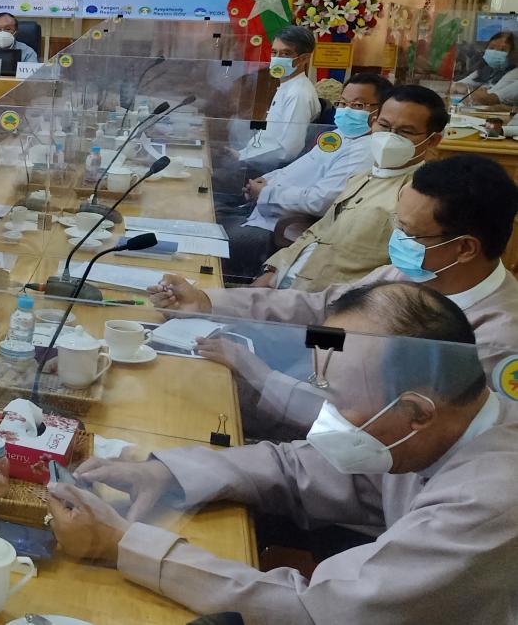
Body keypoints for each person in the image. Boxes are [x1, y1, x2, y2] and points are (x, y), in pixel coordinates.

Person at [47, 281, 518, 624]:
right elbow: (298, 467)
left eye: (338, 401)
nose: (324, 414)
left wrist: (123, 543)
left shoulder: (489, 501)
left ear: (416, 413)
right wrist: (167, 472)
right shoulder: (426, 431)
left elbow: (315, 611)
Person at [150, 154, 518, 434]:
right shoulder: (410, 273)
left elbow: (386, 433)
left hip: (338, 450)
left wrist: (259, 374)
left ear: (465, 248)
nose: (397, 239)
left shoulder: (496, 343)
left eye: (408, 232)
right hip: (297, 390)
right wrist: (208, 302)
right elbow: (320, 308)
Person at [258, 85, 449, 290]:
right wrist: (272, 271)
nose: (389, 137)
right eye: (384, 125)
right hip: (287, 279)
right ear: (373, 122)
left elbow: (407, 273)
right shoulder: (361, 177)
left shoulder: (416, 197)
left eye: (405, 132)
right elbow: (317, 231)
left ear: (433, 140)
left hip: (328, 297)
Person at [221, 73, 390, 281]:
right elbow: (296, 168)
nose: (346, 110)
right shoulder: (339, 136)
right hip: (261, 208)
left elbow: (321, 201)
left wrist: (266, 193)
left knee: (213, 243)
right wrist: (264, 181)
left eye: (357, 105)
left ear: (380, 111)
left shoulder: (366, 151)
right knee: (207, 216)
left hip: (278, 228)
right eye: (343, 103)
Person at [236, 25, 321, 169]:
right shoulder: (288, 85)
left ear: (304, 58)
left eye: (286, 54)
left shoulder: (298, 94)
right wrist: (242, 153)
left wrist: (242, 157)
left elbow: (288, 151)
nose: (277, 59)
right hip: (253, 158)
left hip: (266, 169)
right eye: (274, 52)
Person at [452, 31, 518, 107]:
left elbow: (485, 97)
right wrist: (465, 88)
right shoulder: (485, 69)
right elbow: (454, 86)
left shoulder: (514, 73)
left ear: (513, 54)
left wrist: (469, 90)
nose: (495, 52)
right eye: (492, 48)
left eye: (502, 50)